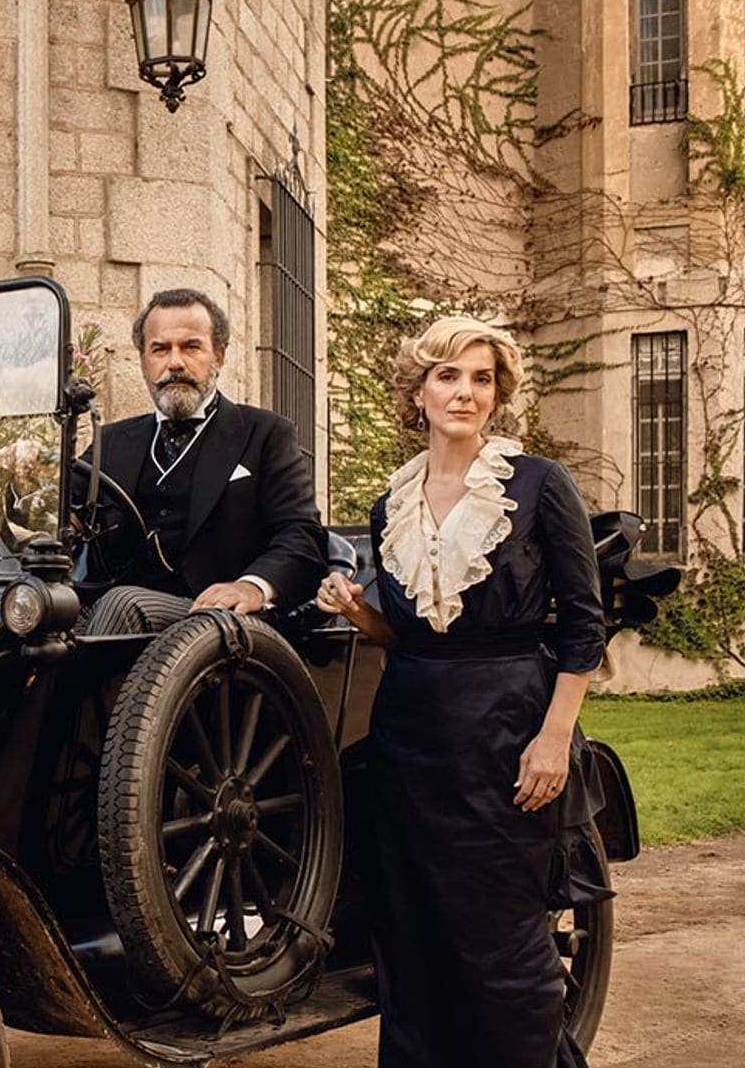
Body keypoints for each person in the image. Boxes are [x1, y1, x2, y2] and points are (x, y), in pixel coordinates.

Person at [316, 316, 603, 1068]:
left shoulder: (539, 484)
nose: (465, 392)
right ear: (419, 391)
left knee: (503, 943)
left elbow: (584, 623)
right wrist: (357, 612)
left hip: (509, 732)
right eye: (448, 375)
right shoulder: (393, 504)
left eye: (481, 378)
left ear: (498, 393)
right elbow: (411, 637)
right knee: (412, 938)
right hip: (410, 738)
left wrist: (554, 737)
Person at [73, 288, 326, 633]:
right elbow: (60, 511)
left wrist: (251, 586)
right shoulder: (111, 442)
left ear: (219, 356)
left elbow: (302, 535)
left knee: (122, 601)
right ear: (144, 361)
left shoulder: (265, 433)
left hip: (216, 620)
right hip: (107, 614)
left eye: (191, 347)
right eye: (160, 349)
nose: (175, 362)